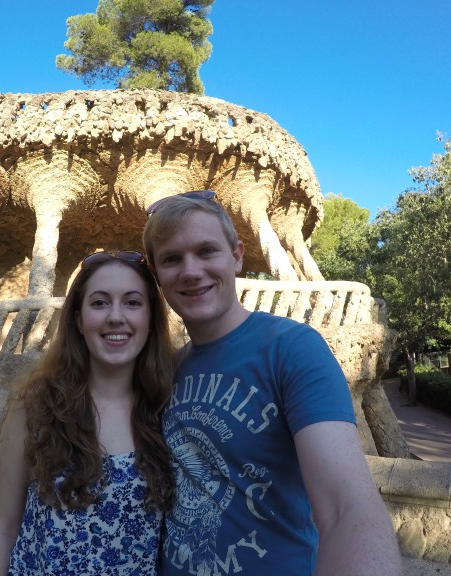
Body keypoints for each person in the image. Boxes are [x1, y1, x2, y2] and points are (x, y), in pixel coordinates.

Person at [142, 191, 402, 576]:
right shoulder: (170, 370)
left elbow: (348, 507)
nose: (191, 270)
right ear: (156, 274)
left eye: (206, 251)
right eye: (171, 259)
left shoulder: (292, 349)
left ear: (237, 256)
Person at [0, 250, 176, 575]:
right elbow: (4, 529)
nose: (116, 316)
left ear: (150, 319)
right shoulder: (36, 406)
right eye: (100, 303)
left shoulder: (166, 407)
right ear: (78, 318)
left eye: (132, 302)